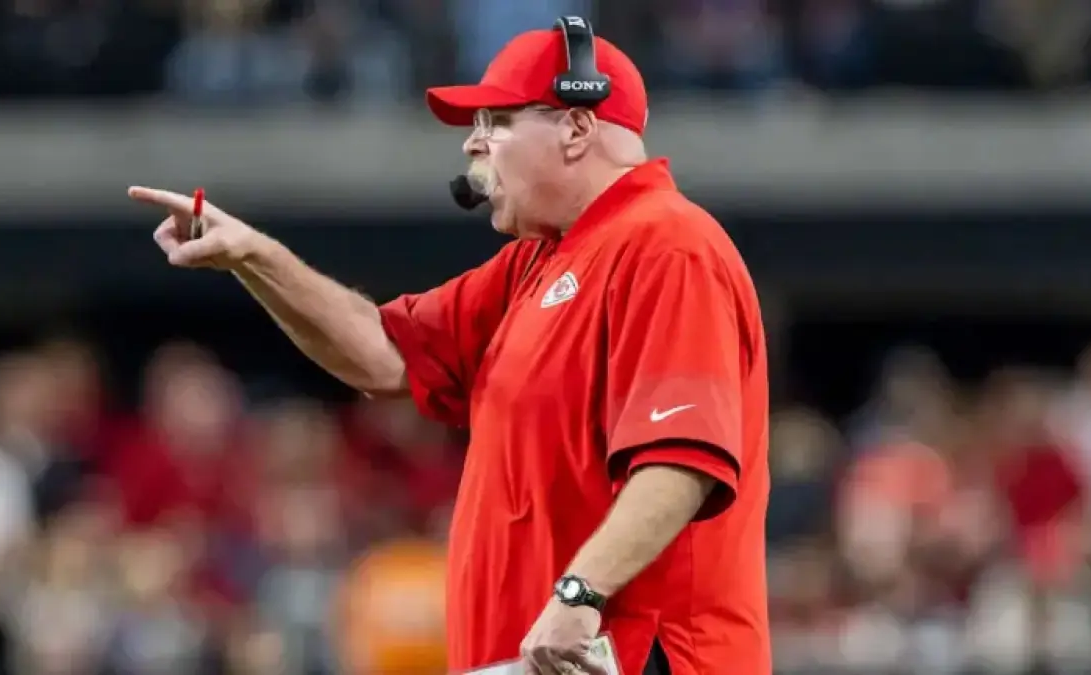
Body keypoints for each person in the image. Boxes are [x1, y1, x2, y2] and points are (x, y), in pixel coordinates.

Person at [128, 18, 771, 675]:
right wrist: (255, 256)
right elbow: (383, 354)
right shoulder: (536, 264)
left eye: (497, 121)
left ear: (577, 128)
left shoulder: (668, 243)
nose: (473, 143)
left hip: (641, 657)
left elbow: (680, 461)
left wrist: (581, 592)